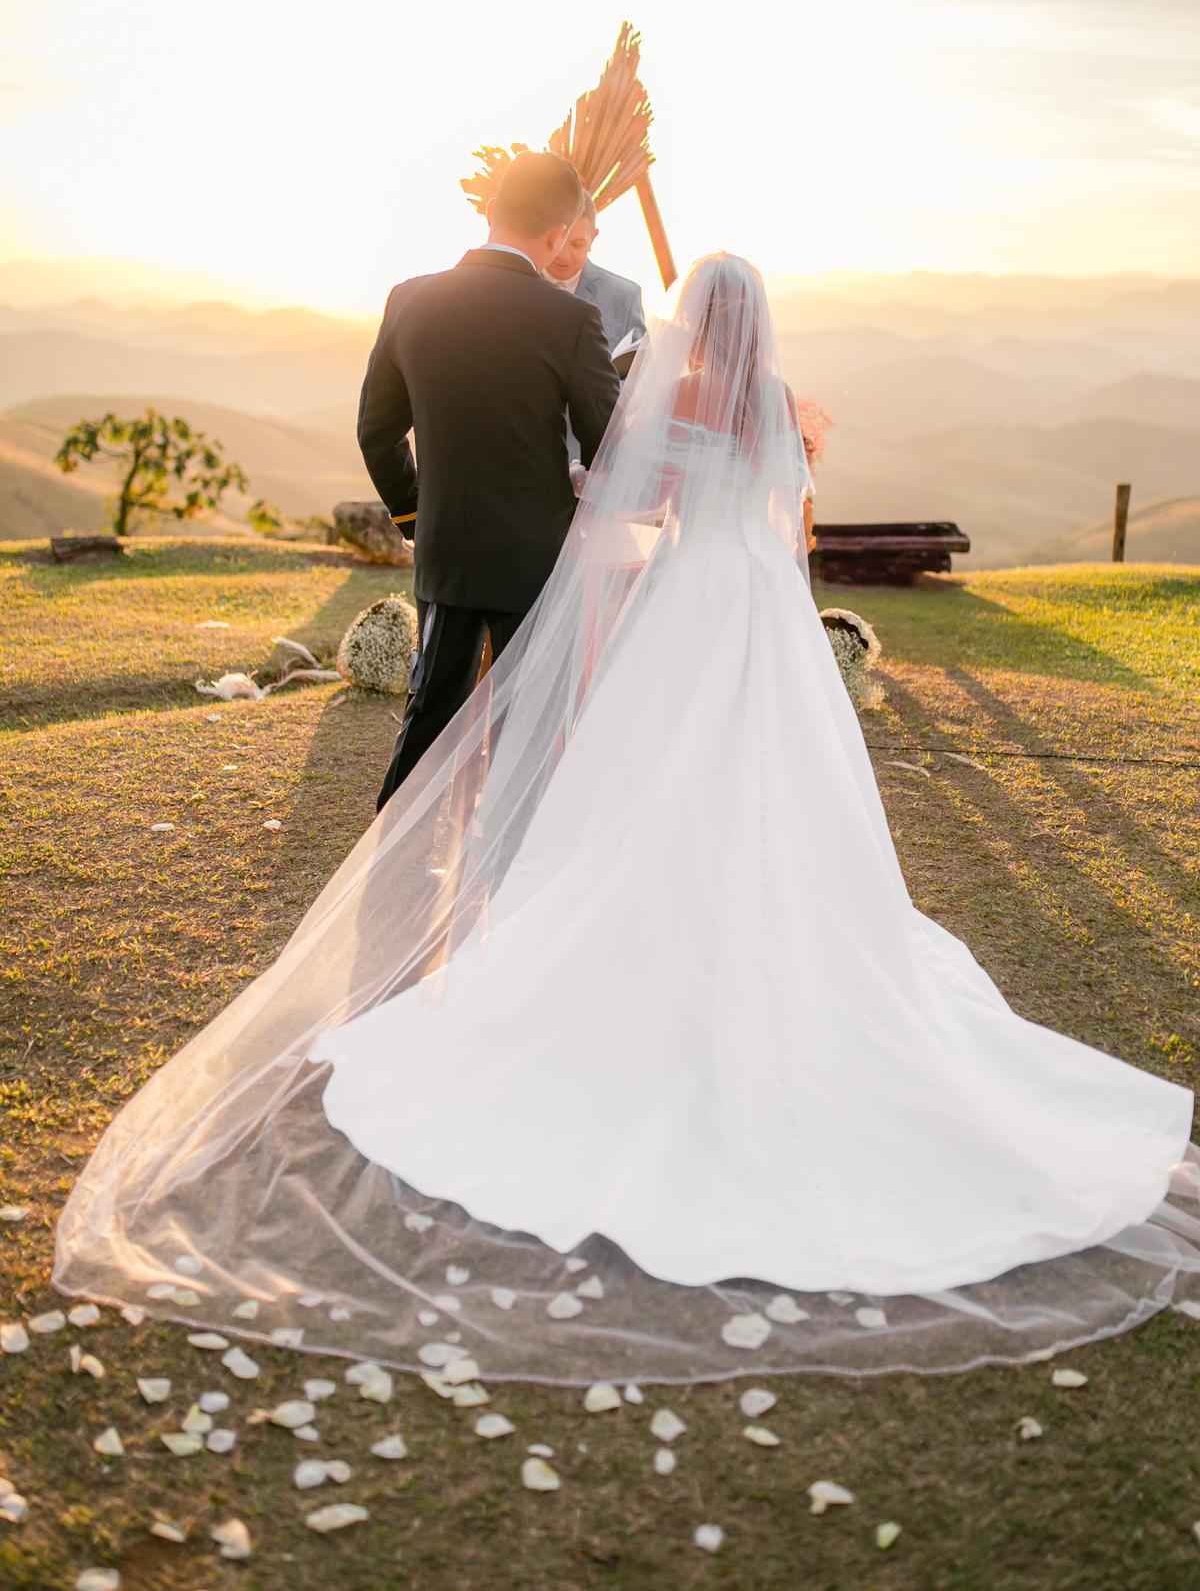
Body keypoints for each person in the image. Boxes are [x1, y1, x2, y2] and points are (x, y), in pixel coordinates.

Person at [53, 255, 1198, 1389]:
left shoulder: (680, 394)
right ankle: (776, 932)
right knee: (776, 788)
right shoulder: (776, 410)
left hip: (682, 612)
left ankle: (655, 933)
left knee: (648, 784)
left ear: (695, 320)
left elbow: (621, 505)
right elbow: (794, 527)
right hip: (769, 625)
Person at [357, 151, 621, 808]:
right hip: (536, 559)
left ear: (494, 214)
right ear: (560, 233)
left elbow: (376, 432)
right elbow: (610, 444)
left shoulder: (409, 298)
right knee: (528, 723)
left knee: (431, 712)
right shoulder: (569, 320)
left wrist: (420, 519)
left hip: (445, 546)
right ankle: (506, 875)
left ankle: (391, 873)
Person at [543, 190, 646, 353]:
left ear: (593, 238)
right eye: (558, 241)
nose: (563, 255)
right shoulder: (515, 287)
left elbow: (638, 372)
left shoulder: (625, 297)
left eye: (577, 244)